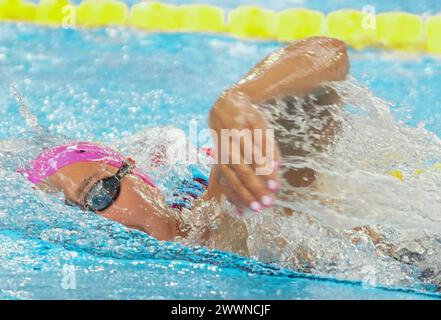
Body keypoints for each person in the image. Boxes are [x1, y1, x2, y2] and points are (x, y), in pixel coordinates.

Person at [19, 37, 349, 253]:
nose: (102, 223)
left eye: (100, 193)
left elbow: (328, 55)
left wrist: (238, 100)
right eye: (77, 218)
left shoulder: (228, 207)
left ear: (138, 174)